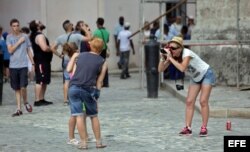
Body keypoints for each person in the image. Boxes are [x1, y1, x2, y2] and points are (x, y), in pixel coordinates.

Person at [158, 36, 215, 137]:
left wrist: (170, 58)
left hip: (206, 73)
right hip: (195, 77)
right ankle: (188, 128)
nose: (171, 50)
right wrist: (163, 58)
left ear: (180, 48)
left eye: (174, 48)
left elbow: (182, 68)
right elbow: (160, 69)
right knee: (189, 101)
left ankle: (204, 127)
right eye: (170, 48)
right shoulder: (174, 56)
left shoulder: (187, 53)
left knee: (203, 101)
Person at [67, 37, 107, 149]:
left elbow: (69, 70)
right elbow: (99, 81)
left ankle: (83, 143)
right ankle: (98, 142)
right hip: (88, 89)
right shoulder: (103, 62)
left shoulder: (79, 55)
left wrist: (74, 56)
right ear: (101, 49)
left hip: (74, 88)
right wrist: (97, 94)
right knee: (93, 116)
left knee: (79, 116)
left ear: (91, 46)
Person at [51, 19, 91, 105]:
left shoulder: (60, 37)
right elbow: (89, 38)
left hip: (66, 60)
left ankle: (65, 100)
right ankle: (78, 97)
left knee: (67, 80)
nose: (73, 26)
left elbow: (52, 48)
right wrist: (85, 29)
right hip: (76, 59)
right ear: (70, 27)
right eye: (72, 25)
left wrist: (59, 55)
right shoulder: (76, 36)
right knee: (78, 79)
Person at [6, 18, 34, 116]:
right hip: (13, 65)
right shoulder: (9, 37)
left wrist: (33, 63)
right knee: (16, 88)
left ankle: (25, 101)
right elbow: (10, 51)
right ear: (11, 27)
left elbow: (28, 50)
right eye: (14, 26)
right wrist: (18, 42)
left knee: (23, 87)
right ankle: (19, 108)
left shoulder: (25, 36)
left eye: (17, 25)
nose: (16, 27)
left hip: (23, 65)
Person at [29, 20, 53, 106]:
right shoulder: (39, 36)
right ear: (37, 26)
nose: (41, 22)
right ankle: (37, 100)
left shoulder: (38, 35)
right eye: (39, 22)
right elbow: (44, 48)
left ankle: (42, 98)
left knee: (44, 80)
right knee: (40, 80)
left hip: (44, 61)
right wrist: (52, 48)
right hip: (41, 61)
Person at [93, 17, 110, 87]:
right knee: (104, 65)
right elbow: (107, 41)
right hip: (104, 50)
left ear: (97, 23)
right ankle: (106, 82)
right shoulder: (107, 32)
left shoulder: (96, 32)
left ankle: (98, 81)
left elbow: (93, 40)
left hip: (98, 50)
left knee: (97, 66)